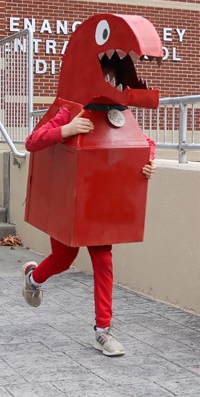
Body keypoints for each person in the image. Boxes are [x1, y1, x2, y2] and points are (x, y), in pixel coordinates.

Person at [22, 105, 156, 357]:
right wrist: (67, 128)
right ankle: (32, 279)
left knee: (103, 260)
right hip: (68, 203)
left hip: (98, 203)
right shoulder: (69, 110)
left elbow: (144, 141)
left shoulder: (116, 113)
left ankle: (103, 330)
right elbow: (32, 142)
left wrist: (147, 160)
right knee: (63, 259)